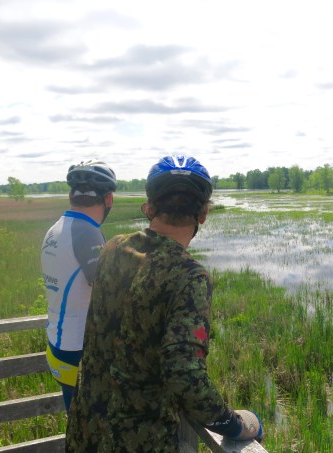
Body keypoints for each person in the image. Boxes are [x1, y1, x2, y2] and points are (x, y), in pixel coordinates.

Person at [65, 155, 263, 452]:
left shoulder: (113, 248)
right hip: (139, 442)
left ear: (149, 208)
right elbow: (184, 375)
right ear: (203, 214)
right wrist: (234, 424)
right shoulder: (189, 275)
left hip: (85, 430)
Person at [41, 160, 117, 413]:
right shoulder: (87, 231)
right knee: (91, 425)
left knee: (75, 421)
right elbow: (109, 291)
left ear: (70, 196)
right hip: (78, 347)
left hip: (58, 341)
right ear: (108, 199)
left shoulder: (56, 229)